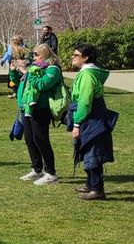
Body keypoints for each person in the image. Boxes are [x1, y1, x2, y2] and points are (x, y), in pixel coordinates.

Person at [68, 44, 115, 200]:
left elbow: (85, 101)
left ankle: (97, 189)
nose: (72, 57)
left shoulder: (88, 75)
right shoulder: (87, 73)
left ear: (86, 57)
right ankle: (90, 184)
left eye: (76, 55)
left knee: (92, 151)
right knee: (87, 149)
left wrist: (77, 124)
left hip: (91, 117)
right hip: (92, 116)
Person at [16, 43, 62, 186]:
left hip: (41, 108)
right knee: (30, 139)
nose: (34, 57)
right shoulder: (34, 68)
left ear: (45, 54)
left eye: (36, 54)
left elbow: (43, 85)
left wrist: (28, 73)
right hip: (28, 108)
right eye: (33, 54)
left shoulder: (53, 69)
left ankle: (51, 173)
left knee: (41, 139)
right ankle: (37, 169)